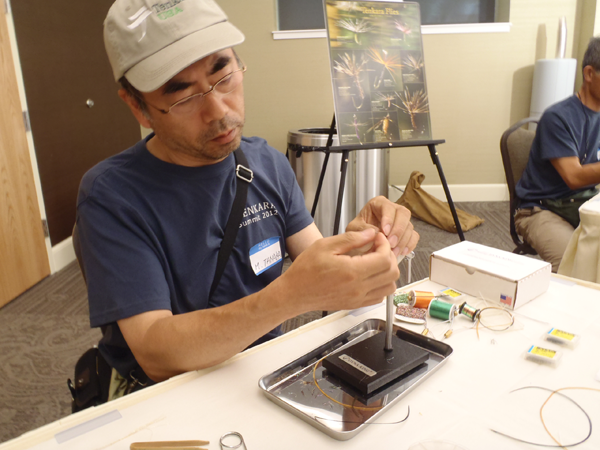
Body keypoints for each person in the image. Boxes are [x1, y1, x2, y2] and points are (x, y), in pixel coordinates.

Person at [75, 0, 419, 396]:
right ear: (138, 107)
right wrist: (288, 296)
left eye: (223, 74)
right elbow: (156, 352)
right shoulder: (111, 196)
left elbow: (317, 263)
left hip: (263, 379)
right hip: (169, 396)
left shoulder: (266, 163)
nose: (218, 111)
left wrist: (361, 247)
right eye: (183, 96)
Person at [515, 37, 600, 273]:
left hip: (583, 203)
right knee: (571, 268)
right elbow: (574, 176)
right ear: (590, 73)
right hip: (541, 210)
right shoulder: (559, 117)